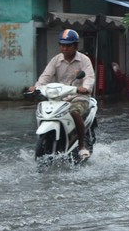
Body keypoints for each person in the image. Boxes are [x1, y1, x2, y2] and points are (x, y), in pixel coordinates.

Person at [28, 29, 95, 160]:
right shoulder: (56, 60)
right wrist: (36, 87)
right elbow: (45, 76)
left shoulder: (84, 60)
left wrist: (85, 88)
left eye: (68, 45)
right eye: (62, 45)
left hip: (78, 96)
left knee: (75, 112)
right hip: (59, 97)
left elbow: (90, 77)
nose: (64, 48)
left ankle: (81, 147)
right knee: (43, 111)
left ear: (75, 46)